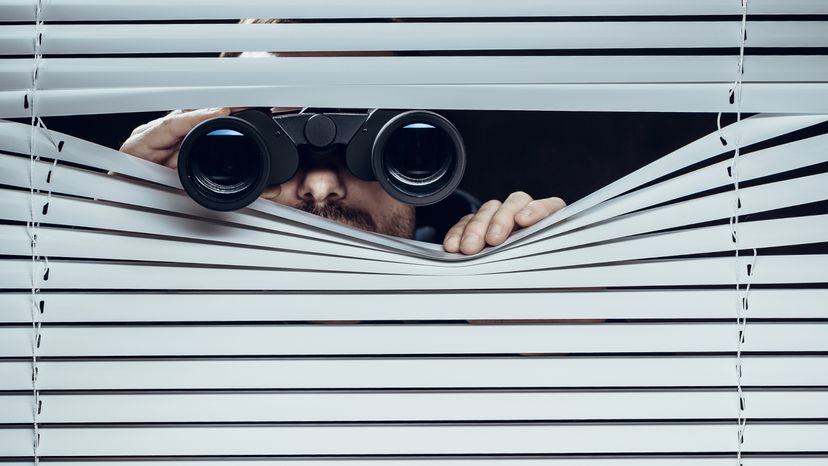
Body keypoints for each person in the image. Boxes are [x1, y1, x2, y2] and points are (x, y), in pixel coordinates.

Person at [119, 22, 565, 255]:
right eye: (264, 145)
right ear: (214, 155)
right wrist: (111, 233)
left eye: (375, 142)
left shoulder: (478, 288)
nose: (319, 186)